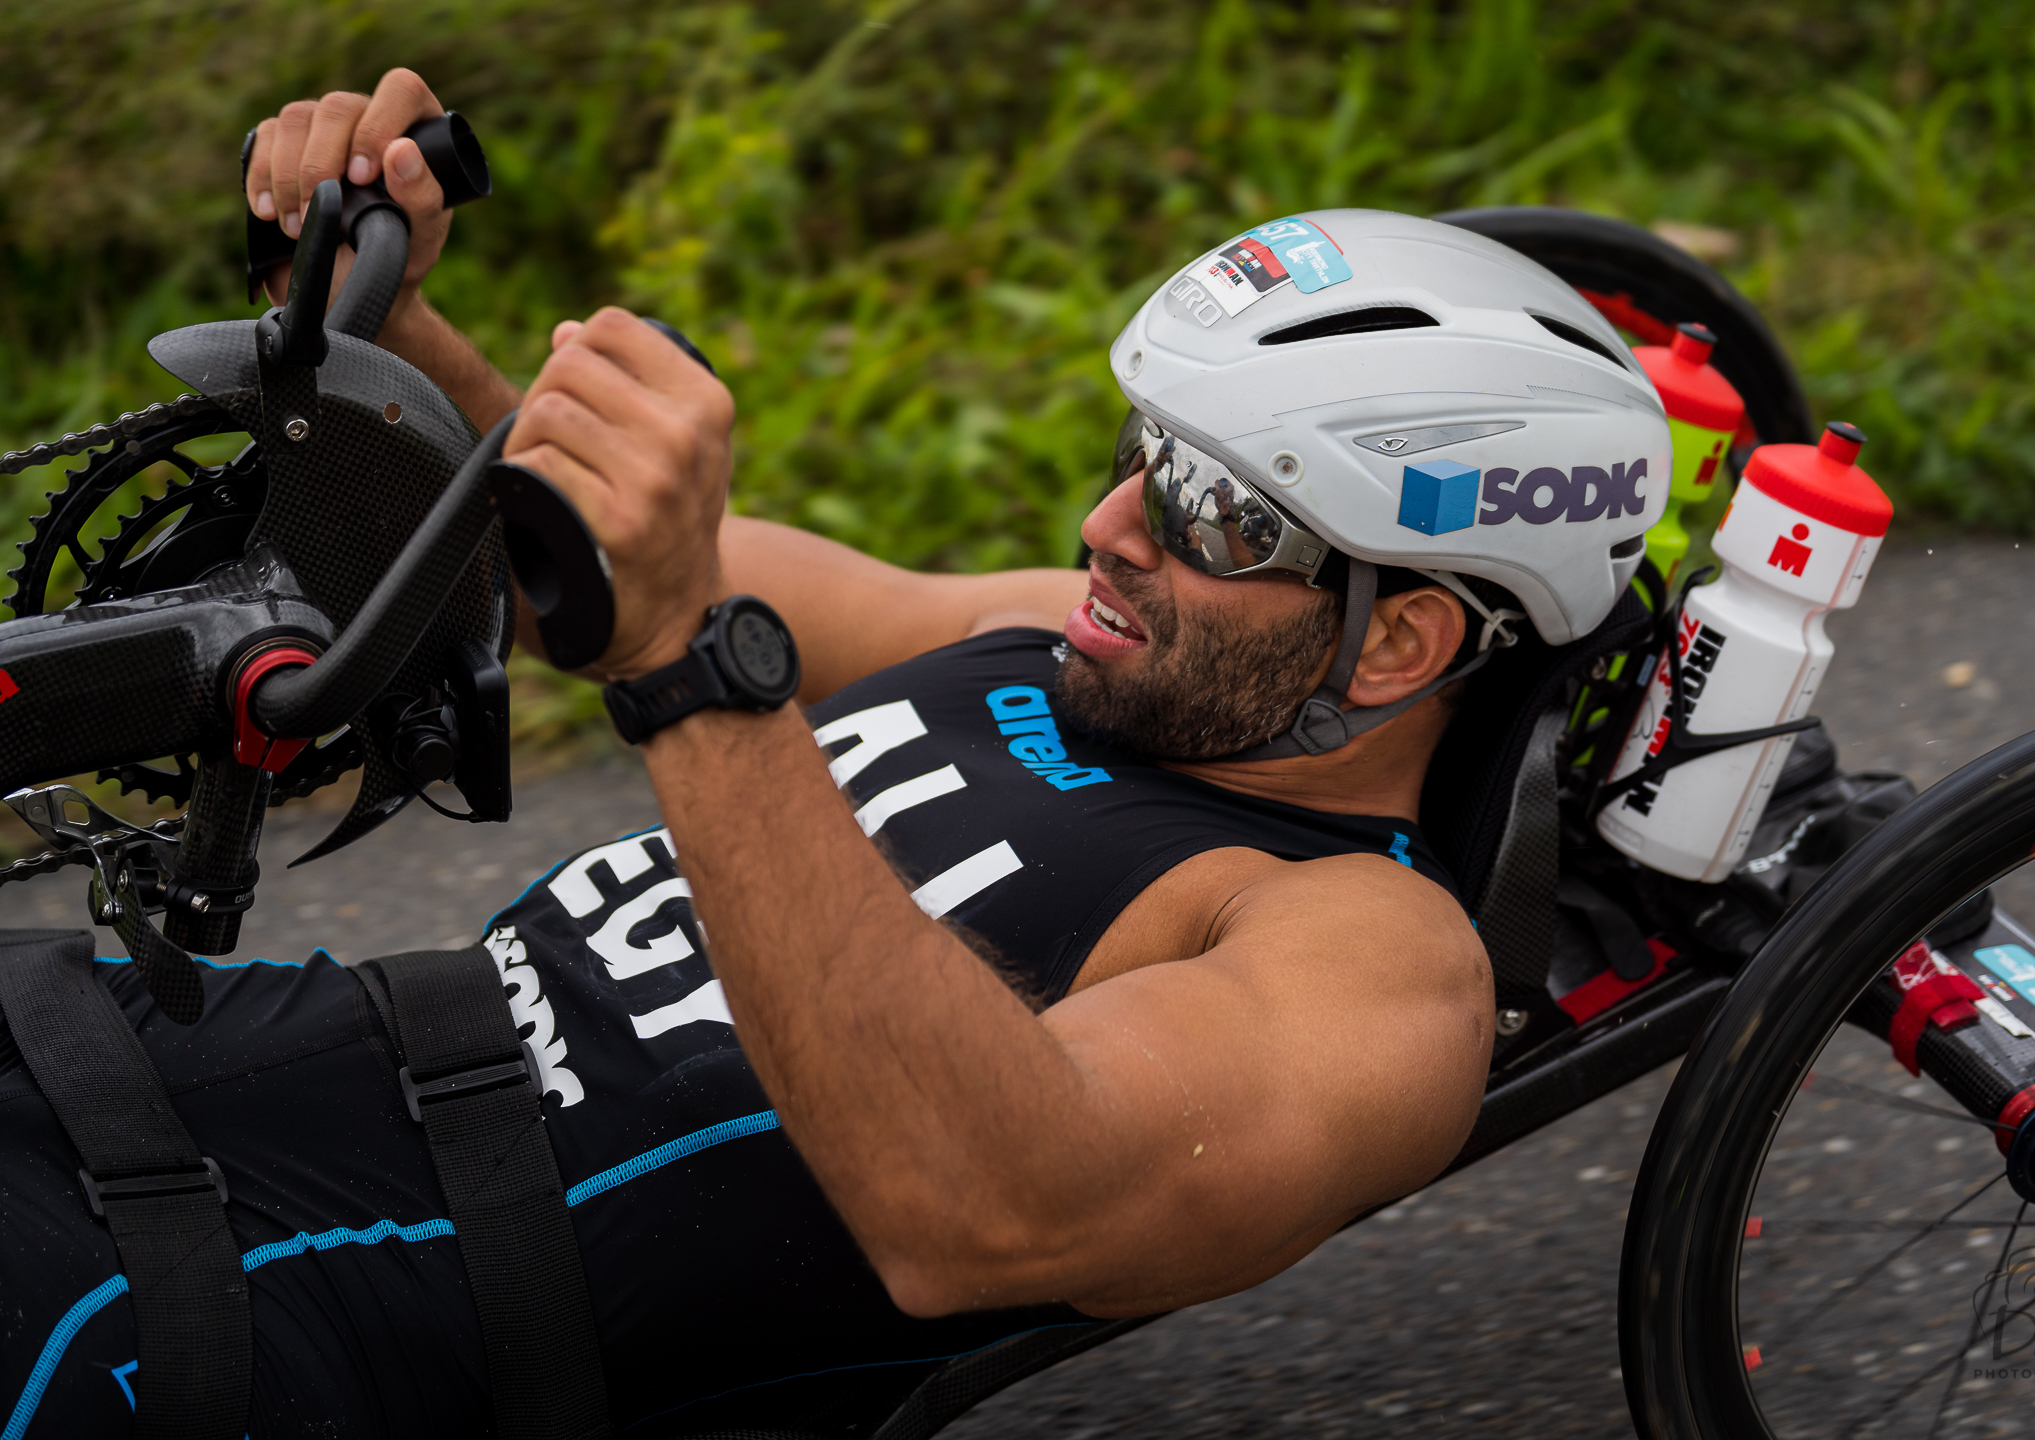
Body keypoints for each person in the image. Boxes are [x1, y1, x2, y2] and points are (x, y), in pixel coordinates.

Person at [0, 71, 1671, 1437]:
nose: (1107, 528)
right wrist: (387, 323)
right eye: (1144, 455)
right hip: (250, 1048)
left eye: (1214, 512)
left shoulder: (1370, 963)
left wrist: (689, 679)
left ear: (1400, 642)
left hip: (316, 1304)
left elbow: (987, 1213)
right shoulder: (1091, 644)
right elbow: (598, 556)